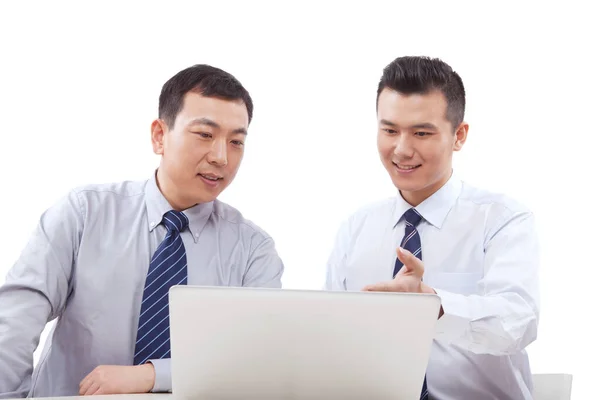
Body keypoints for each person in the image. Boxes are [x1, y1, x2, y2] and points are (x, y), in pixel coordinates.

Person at [0, 64, 284, 398]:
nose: (222, 157)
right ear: (160, 136)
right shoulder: (84, 214)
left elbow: (257, 359)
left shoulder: (253, 251)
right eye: (205, 134)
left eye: (236, 141)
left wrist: (154, 375)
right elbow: (13, 323)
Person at [324, 56, 540, 400]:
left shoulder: (502, 220)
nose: (402, 149)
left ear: (459, 135)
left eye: (421, 133)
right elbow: (330, 338)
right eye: (390, 130)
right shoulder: (356, 228)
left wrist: (435, 306)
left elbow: (517, 323)